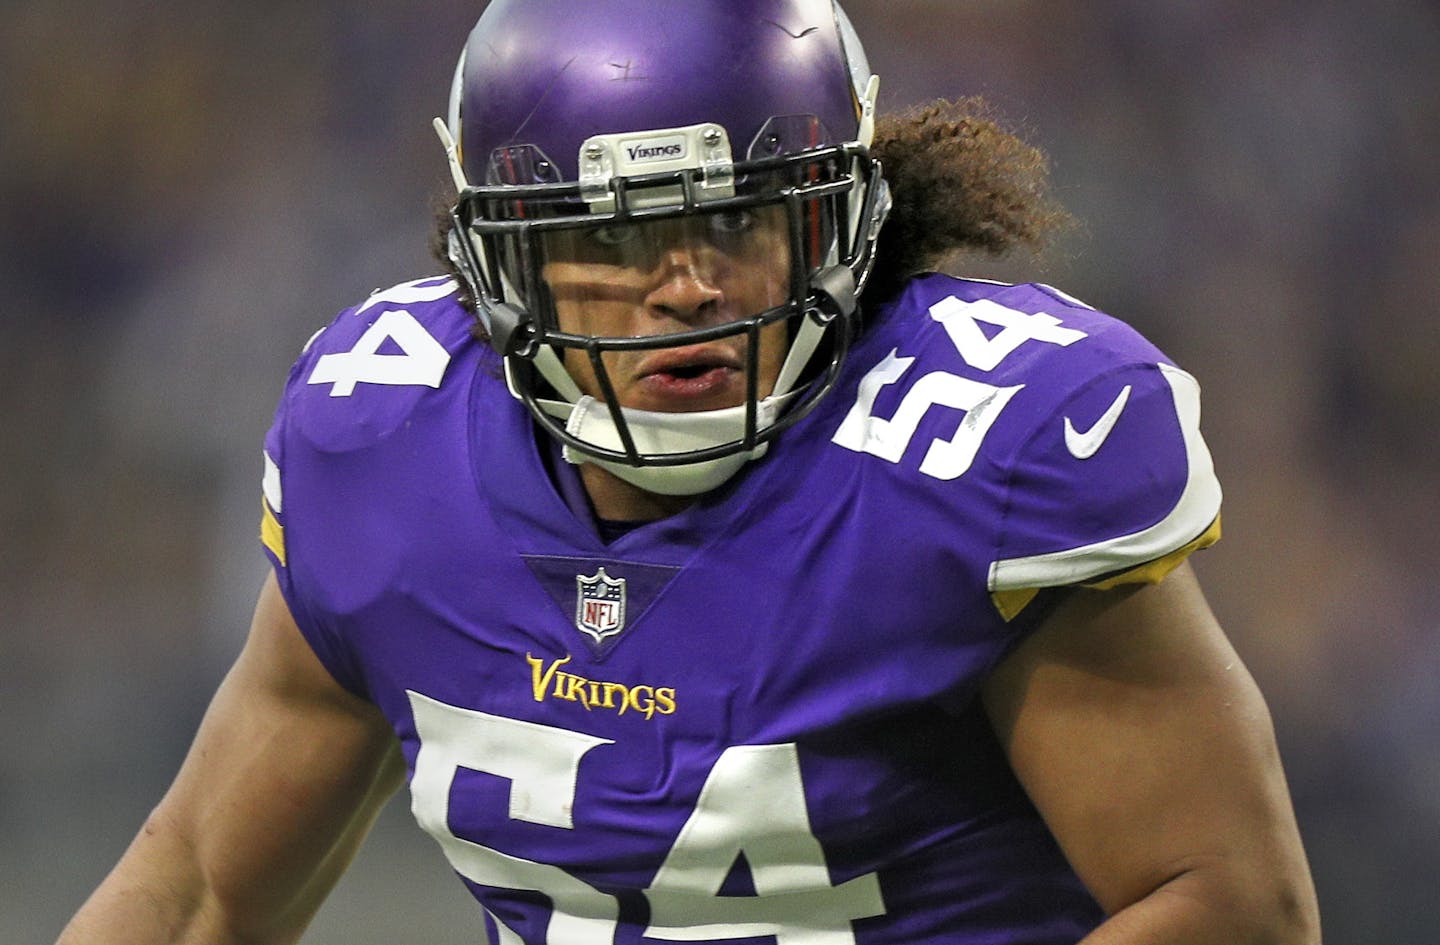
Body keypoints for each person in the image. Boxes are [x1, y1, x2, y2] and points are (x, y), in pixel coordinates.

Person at [56, 1, 1321, 943]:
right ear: (498, 259)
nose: (686, 288)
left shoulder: (986, 446)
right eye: (611, 234)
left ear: (835, 218)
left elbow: (1226, 905)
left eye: (731, 219)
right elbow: (202, 891)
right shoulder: (379, 437)